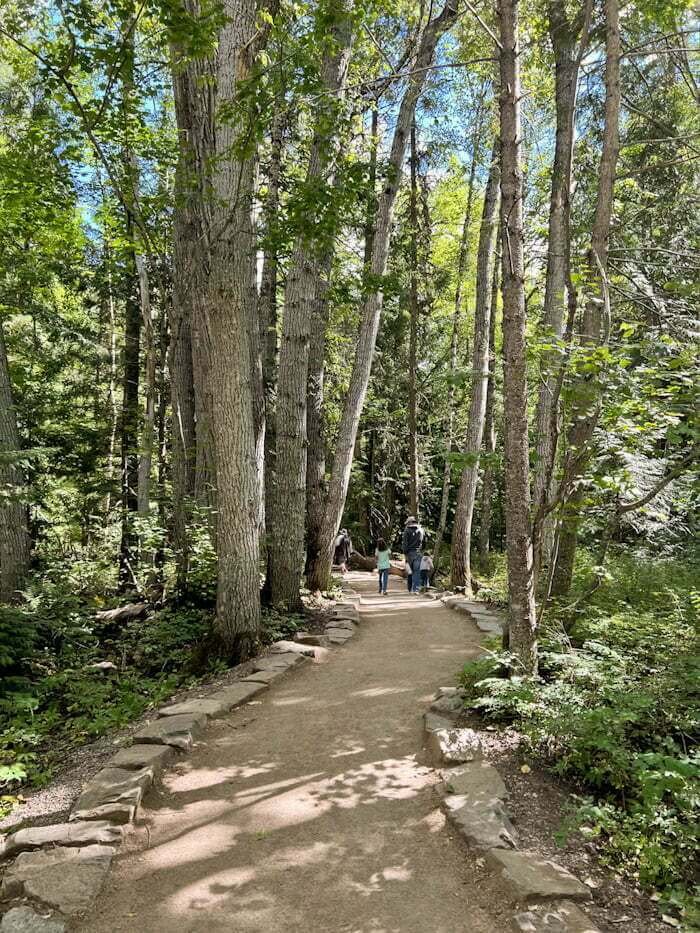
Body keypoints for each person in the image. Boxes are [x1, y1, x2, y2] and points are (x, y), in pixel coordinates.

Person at [402, 516, 424, 594]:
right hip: (418, 553)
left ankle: (410, 589)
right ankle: (416, 589)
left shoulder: (407, 530)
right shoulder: (421, 530)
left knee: (410, 571)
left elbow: (405, 544)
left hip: (409, 553)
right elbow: (423, 543)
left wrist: (405, 553)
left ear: (410, 522)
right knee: (417, 572)